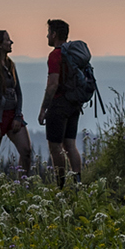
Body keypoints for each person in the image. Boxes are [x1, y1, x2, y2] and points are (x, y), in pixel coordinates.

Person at [0, 29, 33, 176]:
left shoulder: (10, 65)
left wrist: (17, 116)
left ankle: (23, 186)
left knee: (26, 151)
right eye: (7, 40)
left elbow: (18, 92)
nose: (11, 43)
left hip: (12, 115)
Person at [38, 18, 83, 187]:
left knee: (55, 147)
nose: (47, 36)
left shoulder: (55, 55)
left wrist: (44, 108)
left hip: (59, 104)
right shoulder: (71, 53)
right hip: (74, 103)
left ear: (54, 34)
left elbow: (52, 84)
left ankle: (61, 185)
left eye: (49, 33)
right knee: (70, 144)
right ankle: (78, 183)